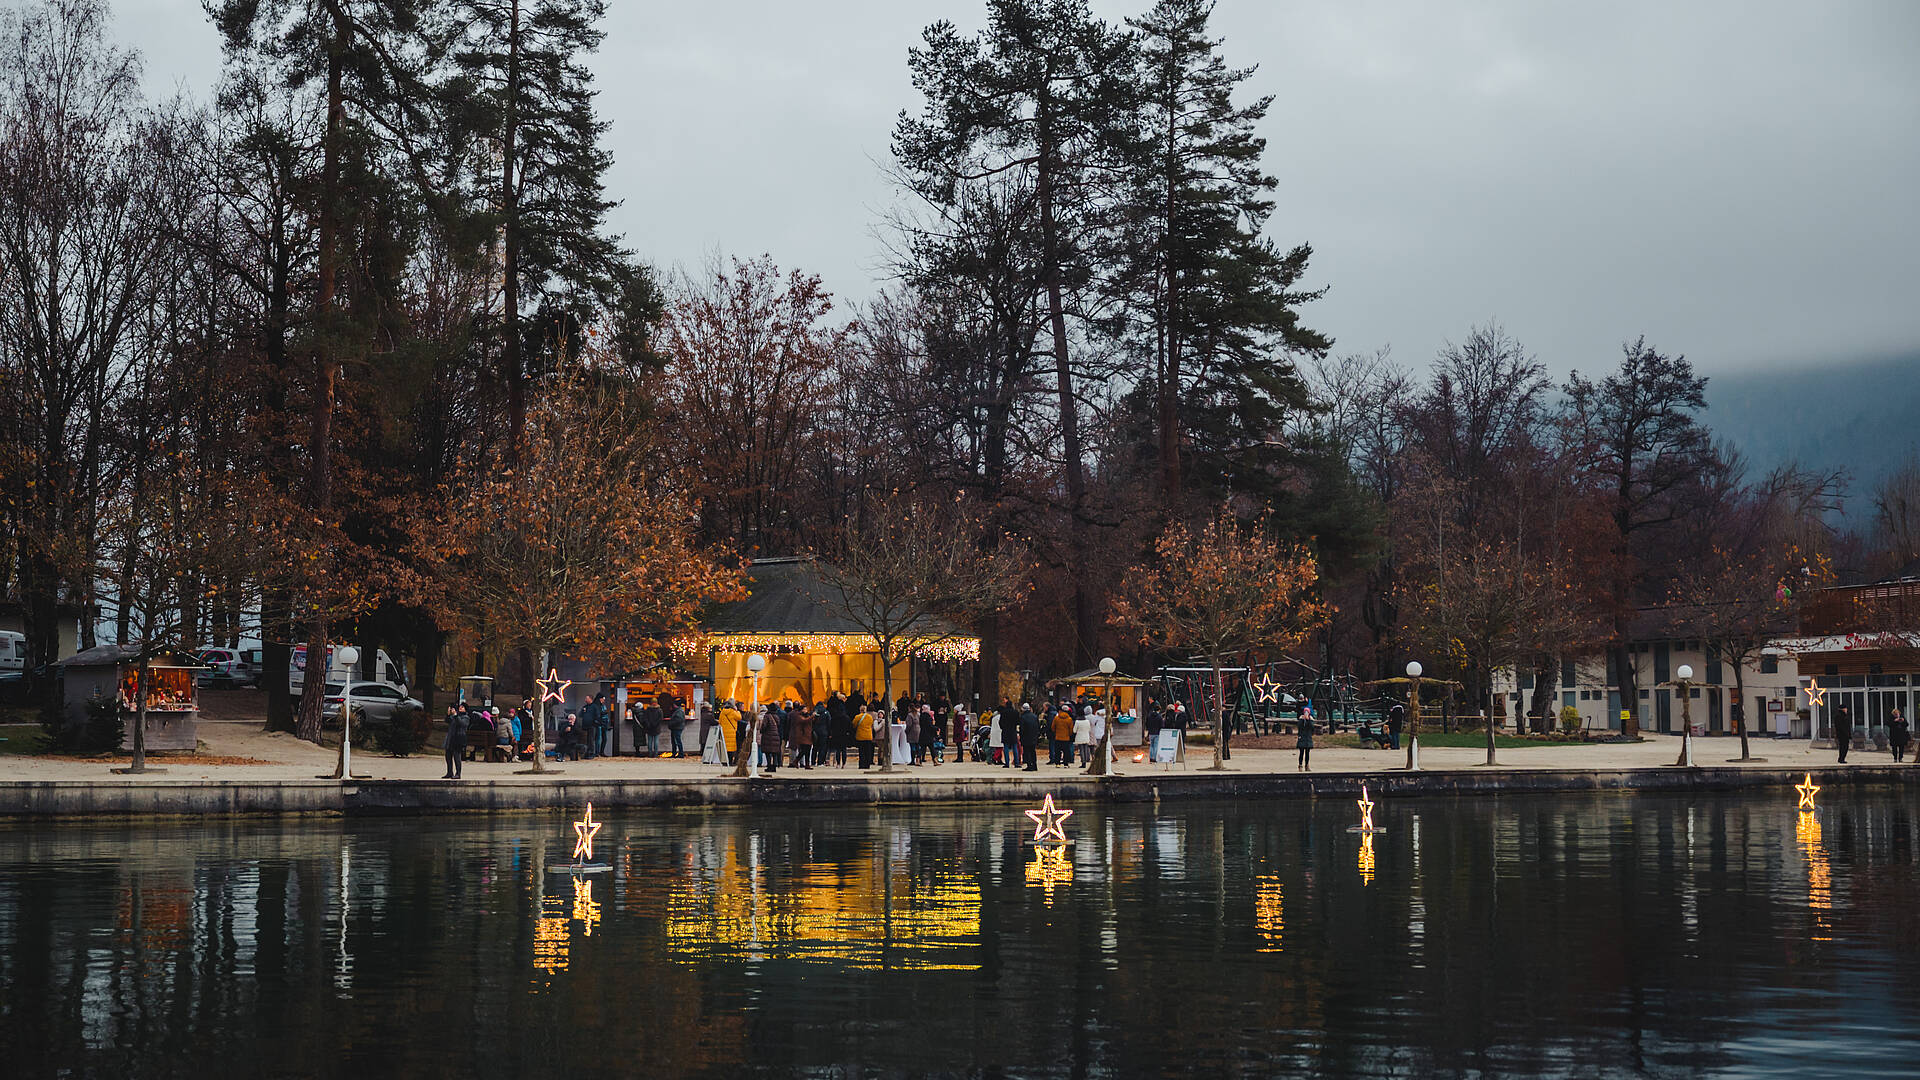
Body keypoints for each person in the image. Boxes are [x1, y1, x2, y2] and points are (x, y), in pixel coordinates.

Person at [442, 705, 467, 779]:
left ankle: (458, 773)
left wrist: (456, 715)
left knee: (457, 756)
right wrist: (448, 714)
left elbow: (461, 724)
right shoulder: (455, 716)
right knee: (448, 755)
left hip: (458, 739)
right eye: (460, 707)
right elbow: (447, 720)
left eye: (462, 707)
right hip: (451, 739)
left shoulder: (466, 717)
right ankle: (449, 772)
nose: (460, 708)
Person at [759, 704, 784, 772]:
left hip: (768, 736)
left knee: (768, 752)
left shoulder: (767, 716)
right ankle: (774, 766)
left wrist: (761, 730)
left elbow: (764, 725)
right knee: (774, 752)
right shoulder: (776, 716)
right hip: (776, 735)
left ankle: (769, 765)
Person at [1018, 703, 1041, 772]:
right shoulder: (1034, 716)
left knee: (1027, 751)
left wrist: (1021, 736)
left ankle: (1029, 765)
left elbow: (1022, 728)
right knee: (1033, 751)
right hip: (1033, 736)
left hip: (1026, 737)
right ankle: (1034, 765)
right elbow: (1038, 726)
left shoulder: (1023, 717)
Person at [854, 703, 876, 769]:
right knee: (868, 751)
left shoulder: (857, 717)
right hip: (868, 735)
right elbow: (871, 724)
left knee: (861, 751)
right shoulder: (869, 717)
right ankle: (867, 764)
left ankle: (862, 764)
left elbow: (854, 724)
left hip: (860, 736)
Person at [1296, 706, 1314, 771]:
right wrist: (1302, 720)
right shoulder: (1301, 719)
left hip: (1308, 738)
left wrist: (1308, 720)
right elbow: (1299, 727)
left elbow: (1312, 727)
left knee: (1307, 753)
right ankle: (1300, 765)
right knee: (1301, 752)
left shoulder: (1311, 719)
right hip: (1302, 737)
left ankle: (1307, 765)